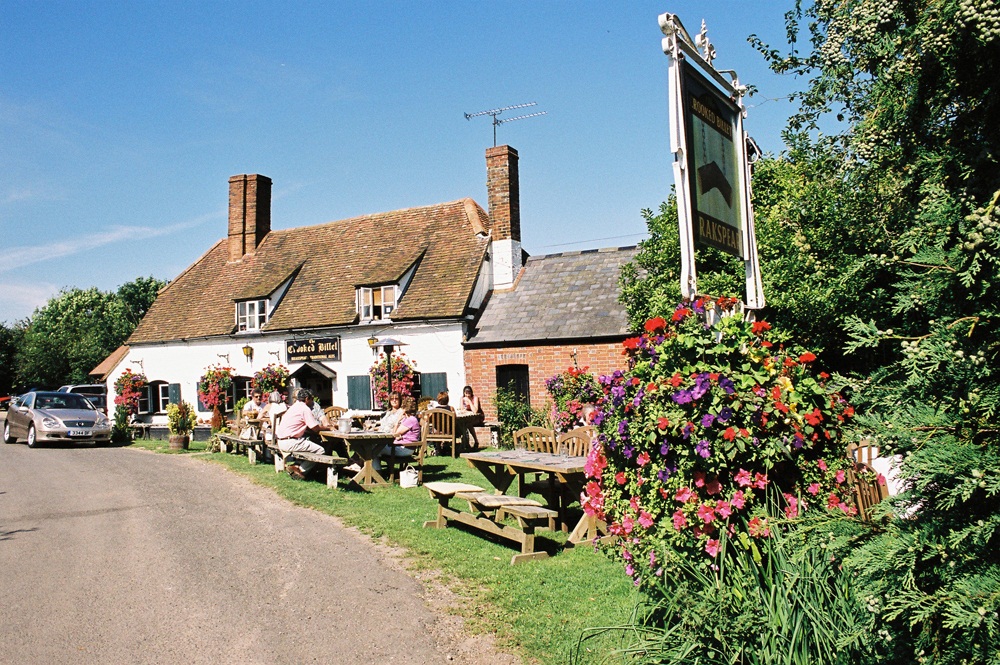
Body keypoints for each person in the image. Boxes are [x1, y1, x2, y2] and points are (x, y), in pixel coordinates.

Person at [274, 388, 332, 480]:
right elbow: (315, 428)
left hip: (281, 441)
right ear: (306, 399)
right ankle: (300, 470)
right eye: (311, 399)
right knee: (320, 450)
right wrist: (329, 428)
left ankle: (297, 466)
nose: (312, 402)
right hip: (290, 442)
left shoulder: (293, 407)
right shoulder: (305, 409)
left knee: (310, 444)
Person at [376, 395, 418, 471]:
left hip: (405, 449)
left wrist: (397, 421)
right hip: (402, 447)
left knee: (373, 449)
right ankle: (375, 471)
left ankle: (377, 473)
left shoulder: (411, 420)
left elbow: (395, 433)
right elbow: (396, 433)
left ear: (405, 409)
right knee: (374, 448)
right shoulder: (408, 419)